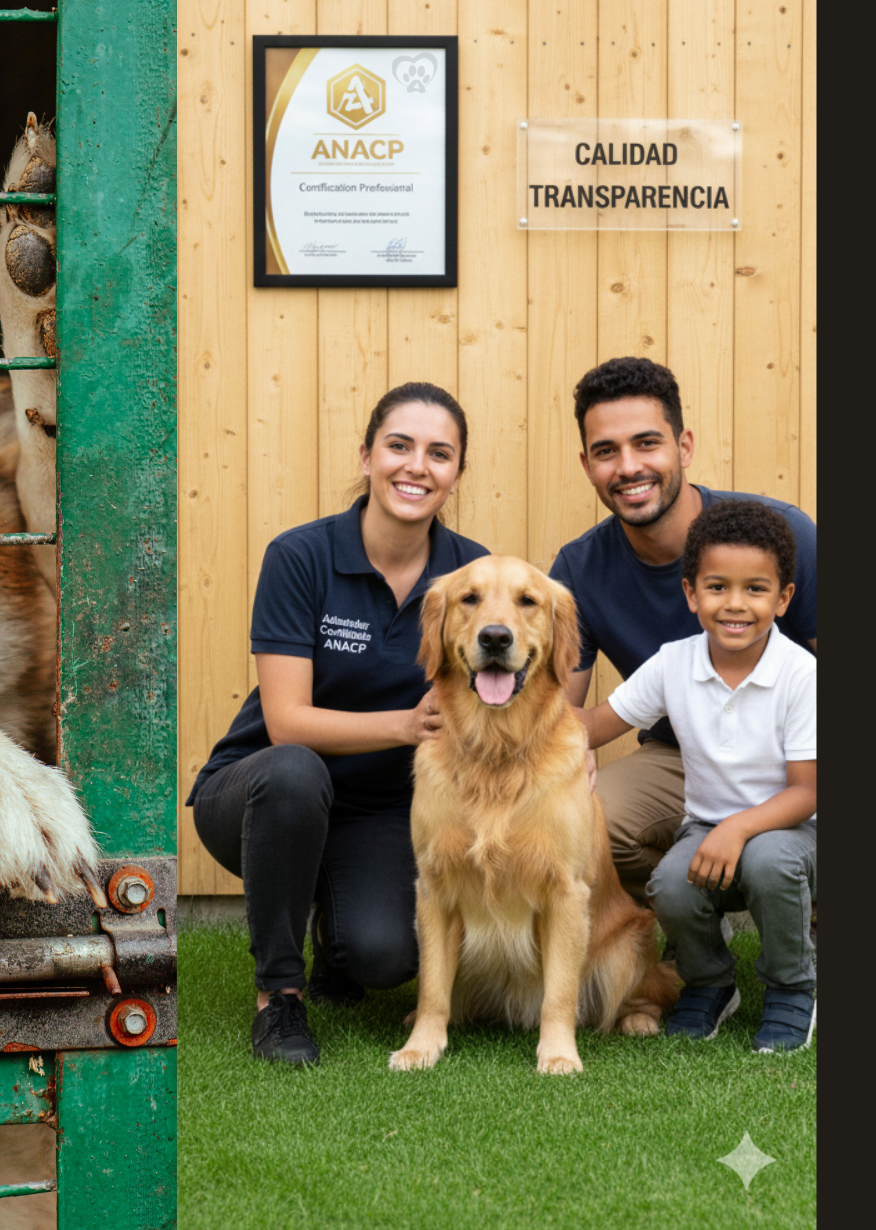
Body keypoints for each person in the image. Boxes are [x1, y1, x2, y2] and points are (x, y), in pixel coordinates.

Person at [187, 382, 490, 1064]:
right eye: (399, 446)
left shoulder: (472, 574)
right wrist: (407, 726)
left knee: (385, 957)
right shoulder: (301, 557)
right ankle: (280, 998)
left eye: (440, 454)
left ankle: (338, 944)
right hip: (261, 794)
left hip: (381, 811)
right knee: (297, 771)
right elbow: (287, 722)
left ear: (457, 475)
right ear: (366, 456)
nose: (417, 466)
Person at [548, 357, 817, 902]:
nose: (628, 467)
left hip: (796, 750)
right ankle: (687, 925)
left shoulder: (782, 534)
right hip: (684, 757)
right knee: (592, 818)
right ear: (587, 464)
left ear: (684, 447)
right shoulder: (579, 570)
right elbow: (565, 716)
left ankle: (802, 900)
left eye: (647, 443)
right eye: (606, 451)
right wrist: (569, 758)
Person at [575, 501, 817, 1051]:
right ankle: (710, 982)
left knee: (768, 859)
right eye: (716, 587)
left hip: (796, 836)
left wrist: (736, 830)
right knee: (671, 884)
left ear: (783, 599)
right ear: (690, 594)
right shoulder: (673, 663)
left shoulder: (801, 675)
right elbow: (592, 723)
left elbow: (807, 792)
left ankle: (792, 988)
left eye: (756, 589)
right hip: (704, 827)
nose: (735, 604)